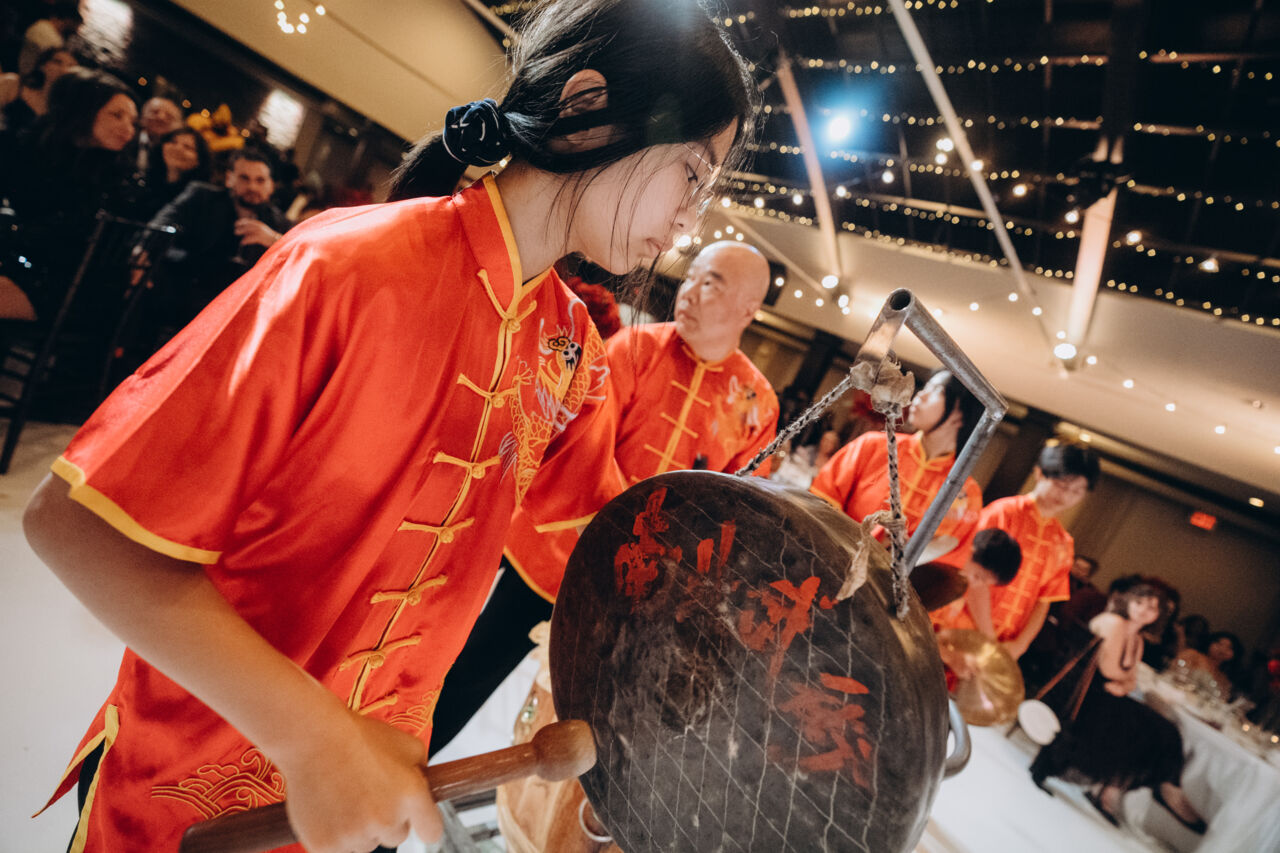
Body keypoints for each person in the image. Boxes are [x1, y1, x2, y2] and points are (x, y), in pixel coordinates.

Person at [22, 1, 754, 850]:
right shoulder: (351, 264)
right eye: (692, 173)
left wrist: (726, 609)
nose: (691, 218)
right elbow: (77, 526)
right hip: (187, 786)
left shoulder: (569, 351)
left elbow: (594, 537)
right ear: (588, 109)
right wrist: (312, 737)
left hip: (355, 804)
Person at [428, 239, 778, 755]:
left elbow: (733, 512)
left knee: (585, 718)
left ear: (748, 308)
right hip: (557, 549)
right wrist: (635, 539)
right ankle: (402, 767)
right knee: (469, 669)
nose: (689, 291)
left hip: (641, 591)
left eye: (711, 283)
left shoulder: (756, 403)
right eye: (691, 276)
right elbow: (586, 449)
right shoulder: (634, 349)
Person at [1029, 581, 1206, 833]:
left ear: (1158, 615)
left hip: (1109, 694)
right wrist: (1124, 683)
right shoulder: (1114, 623)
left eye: (1151, 608)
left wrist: (1123, 685)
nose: (1143, 610)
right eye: (1139, 602)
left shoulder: (1138, 638)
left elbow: (1131, 678)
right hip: (1083, 693)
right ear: (1128, 601)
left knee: (1166, 731)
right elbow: (1109, 669)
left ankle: (1155, 788)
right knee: (1144, 731)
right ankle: (1144, 791)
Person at [810, 369, 985, 571]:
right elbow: (820, 502)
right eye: (924, 388)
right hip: (826, 564)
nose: (920, 395)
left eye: (936, 390)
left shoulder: (966, 493)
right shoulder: (872, 446)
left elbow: (944, 568)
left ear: (961, 414)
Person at [0, 67, 136, 320]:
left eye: (132, 121)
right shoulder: (31, 147)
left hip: (74, 287)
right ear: (84, 109)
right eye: (117, 115)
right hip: (21, 263)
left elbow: (68, 240)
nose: (128, 129)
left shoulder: (117, 177)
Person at [948, 443, 1099, 660]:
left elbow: (1043, 602)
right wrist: (990, 639)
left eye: (1076, 491)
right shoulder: (1003, 513)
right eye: (1061, 484)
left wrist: (1021, 645)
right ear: (1039, 473)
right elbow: (973, 576)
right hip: (960, 628)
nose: (1066, 495)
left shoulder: (1063, 543)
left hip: (1006, 644)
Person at [148, 147, 292, 325]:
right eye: (244, 178)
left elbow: (298, 257)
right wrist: (144, 252)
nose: (252, 187)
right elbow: (161, 224)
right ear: (229, 178)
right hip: (185, 296)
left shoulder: (279, 223)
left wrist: (274, 240)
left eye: (260, 180)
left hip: (238, 310)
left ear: (270, 185)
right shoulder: (202, 197)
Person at [928, 527, 1023, 623]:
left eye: (984, 583)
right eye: (977, 576)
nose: (974, 584)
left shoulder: (961, 588)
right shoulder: (947, 543)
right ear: (973, 552)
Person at [0, 45, 76, 136]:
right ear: (43, 65)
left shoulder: (63, 112)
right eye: (57, 62)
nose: (64, 69)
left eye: (71, 66)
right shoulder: (14, 84)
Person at [136, 126, 212, 216]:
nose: (178, 149)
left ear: (199, 160)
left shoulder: (201, 199)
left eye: (188, 147)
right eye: (173, 142)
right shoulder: (142, 183)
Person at [1172, 630, 1242, 700]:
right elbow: (1174, 670)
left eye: (1229, 648)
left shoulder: (1224, 678)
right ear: (1210, 643)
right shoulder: (1193, 655)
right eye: (1219, 643)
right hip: (1177, 693)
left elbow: (1221, 699)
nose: (1222, 649)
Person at [16, 1, 80, 76]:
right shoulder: (47, 33)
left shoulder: (43, 25)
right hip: (31, 75)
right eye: (75, 24)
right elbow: (54, 59)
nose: (77, 29)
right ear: (68, 20)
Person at [133, 95, 185, 174]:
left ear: (179, 126)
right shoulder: (126, 139)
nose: (161, 118)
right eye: (155, 112)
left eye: (169, 116)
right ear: (142, 117)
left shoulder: (176, 155)